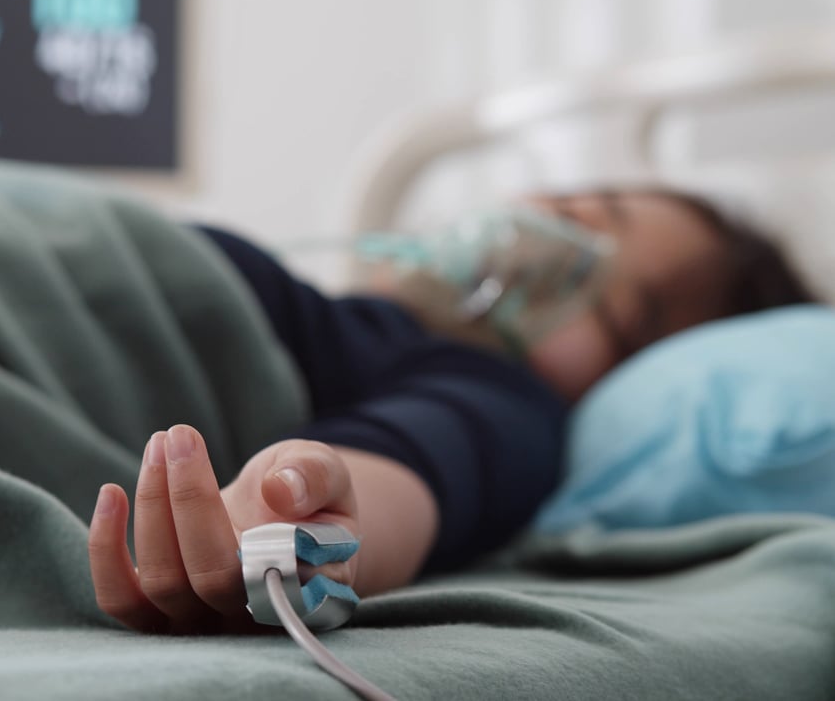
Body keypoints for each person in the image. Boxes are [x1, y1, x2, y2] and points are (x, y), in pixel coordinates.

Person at [87, 188, 814, 634]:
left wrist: (302, 515)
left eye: (617, 313)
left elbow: (407, 473)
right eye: (571, 212)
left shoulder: (503, 397)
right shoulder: (343, 319)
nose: (538, 255)